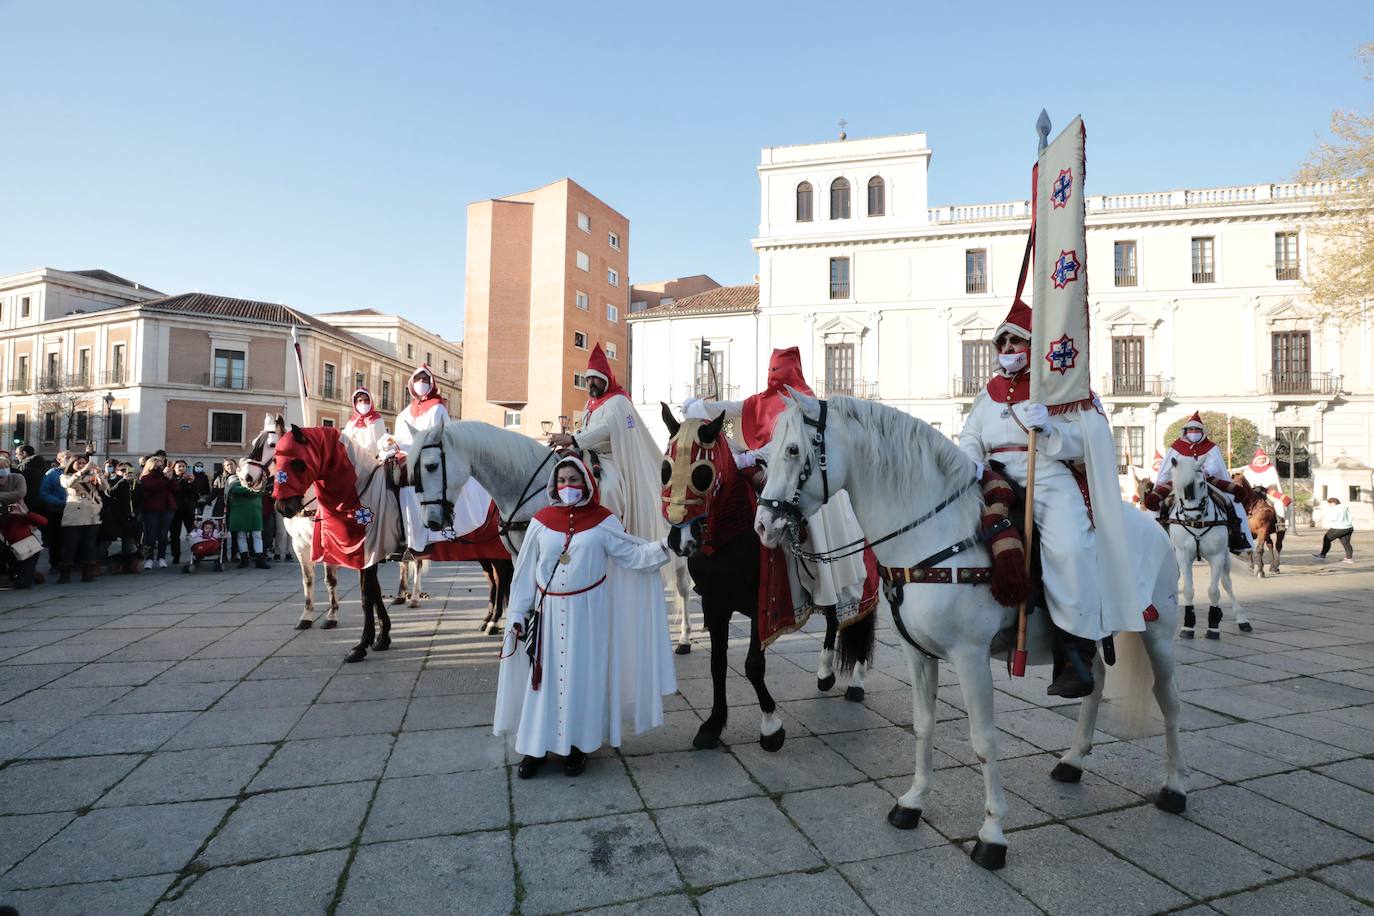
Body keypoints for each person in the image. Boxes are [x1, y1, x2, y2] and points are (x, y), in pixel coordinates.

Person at [957, 300, 1148, 698]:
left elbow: (1093, 435)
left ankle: (1074, 656)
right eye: (1003, 343)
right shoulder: (986, 393)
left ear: (1034, 345)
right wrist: (973, 461)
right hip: (991, 475)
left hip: (1044, 469)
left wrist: (1048, 430)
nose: (1008, 350)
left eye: (1017, 342)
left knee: (1071, 547)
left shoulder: (1063, 386)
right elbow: (971, 434)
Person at [495, 455, 676, 779]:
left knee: (581, 680)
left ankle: (577, 746)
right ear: (553, 485)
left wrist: (667, 546)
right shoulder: (541, 521)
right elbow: (524, 574)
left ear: (587, 484)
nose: (568, 486)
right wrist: (518, 615)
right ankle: (536, 747)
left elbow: (633, 555)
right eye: (562, 481)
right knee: (542, 682)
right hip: (547, 616)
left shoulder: (604, 521)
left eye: (573, 481)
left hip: (588, 616)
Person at [686, 346, 872, 641]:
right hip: (757, 468)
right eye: (771, 370)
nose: (774, 376)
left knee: (812, 524)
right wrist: (698, 408)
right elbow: (731, 407)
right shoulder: (759, 400)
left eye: (779, 370)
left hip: (790, 473)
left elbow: (789, 444)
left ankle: (817, 578)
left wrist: (754, 456)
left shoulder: (806, 404)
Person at [549, 343, 664, 542]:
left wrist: (574, 439)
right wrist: (570, 442)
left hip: (610, 457)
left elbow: (607, 428)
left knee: (609, 487)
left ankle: (614, 533)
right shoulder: (589, 404)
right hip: (586, 453)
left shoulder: (619, 401)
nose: (591, 383)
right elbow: (585, 428)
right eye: (588, 379)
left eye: (596, 378)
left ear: (606, 379)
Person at [395, 365, 494, 550]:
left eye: (425, 380)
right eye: (418, 380)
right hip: (406, 457)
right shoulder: (404, 414)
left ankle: (430, 530)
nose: (421, 383)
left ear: (432, 383)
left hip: (429, 457)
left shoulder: (438, 409)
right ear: (411, 384)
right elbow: (399, 438)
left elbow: (441, 436)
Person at [1146, 413, 1253, 551]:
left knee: (1231, 499)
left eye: (1196, 430)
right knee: (1156, 502)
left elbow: (1215, 465)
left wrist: (1205, 471)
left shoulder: (1211, 447)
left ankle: (1237, 536)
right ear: (1185, 431)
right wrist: (1160, 484)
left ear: (1202, 432)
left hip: (1207, 479)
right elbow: (1166, 468)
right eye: (1190, 430)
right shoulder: (1176, 447)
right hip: (1180, 480)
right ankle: (1158, 537)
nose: (1193, 433)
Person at [59, 453, 107, 583]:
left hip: (92, 513)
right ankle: (65, 574)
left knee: (90, 544)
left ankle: (88, 573)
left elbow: (105, 488)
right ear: (71, 464)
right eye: (78, 463)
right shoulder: (65, 476)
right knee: (70, 544)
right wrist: (83, 470)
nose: (81, 465)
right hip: (74, 514)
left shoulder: (91, 477)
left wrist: (100, 475)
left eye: (83, 462)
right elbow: (68, 484)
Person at [0, 453, 43, 588]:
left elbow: (20, 494)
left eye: (4, 466)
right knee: (11, 557)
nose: (2, 469)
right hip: (3, 523)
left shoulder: (17, 477)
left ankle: (30, 574)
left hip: (19, 518)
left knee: (24, 553)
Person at [134, 455, 177, 569]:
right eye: (156, 466)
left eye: (160, 465)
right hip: (151, 510)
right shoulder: (145, 478)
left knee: (163, 534)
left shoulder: (166, 478)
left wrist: (171, 479)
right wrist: (165, 478)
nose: (158, 468)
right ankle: (149, 558)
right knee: (150, 535)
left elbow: (177, 489)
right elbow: (153, 487)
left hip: (167, 509)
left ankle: (162, 557)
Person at [100, 461, 141, 574]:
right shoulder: (112, 481)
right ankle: (97, 564)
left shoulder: (135, 483)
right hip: (113, 516)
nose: (125, 472)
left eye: (128, 470)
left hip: (129, 517)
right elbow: (109, 493)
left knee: (129, 543)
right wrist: (123, 481)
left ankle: (128, 565)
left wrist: (137, 512)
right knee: (105, 542)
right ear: (117, 471)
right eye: (122, 470)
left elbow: (140, 498)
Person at [226, 463, 270, 569]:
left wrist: (253, 489)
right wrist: (253, 489)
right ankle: (244, 559)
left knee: (257, 535)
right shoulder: (233, 479)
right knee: (241, 536)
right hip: (240, 511)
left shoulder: (256, 479)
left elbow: (260, 491)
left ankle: (260, 560)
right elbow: (234, 490)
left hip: (254, 512)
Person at [39, 451, 70, 573]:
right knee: (57, 539)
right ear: (59, 459)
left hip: (75, 512)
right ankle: (56, 563)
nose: (70, 460)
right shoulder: (52, 473)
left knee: (70, 539)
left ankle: (69, 562)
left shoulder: (76, 473)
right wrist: (60, 501)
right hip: (58, 511)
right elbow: (44, 493)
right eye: (67, 457)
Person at [168, 459, 198, 565]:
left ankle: (195, 554)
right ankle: (176, 556)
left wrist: (192, 482)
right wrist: (182, 480)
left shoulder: (191, 479)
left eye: (183, 466)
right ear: (174, 468)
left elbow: (196, 493)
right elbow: (174, 490)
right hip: (175, 510)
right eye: (179, 467)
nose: (181, 469)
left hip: (188, 510)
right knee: (175, 535)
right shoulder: (171, 479)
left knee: (192, 533)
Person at [1313, 497, 1356, 564]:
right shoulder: (1345, 507)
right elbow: (1350, 517)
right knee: (1346, 543)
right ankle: (1349, 558)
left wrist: (1325, 517)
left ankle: (1322, 555)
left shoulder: (1335, 509)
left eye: (1329, 504)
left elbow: (1333, 518)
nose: (1329, 505)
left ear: (1333, 503)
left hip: (1338, 527)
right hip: (1348, 527)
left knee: (1327, 539)